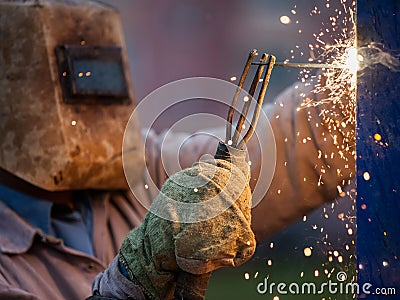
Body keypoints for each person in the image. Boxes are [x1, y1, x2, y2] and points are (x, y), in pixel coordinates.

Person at [0, 0, 355, 299]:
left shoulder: (138, 167)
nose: (91, 110)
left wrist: (354, 96)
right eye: (74, 86)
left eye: (100, 82)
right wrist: (131, 279)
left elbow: (280, 149)